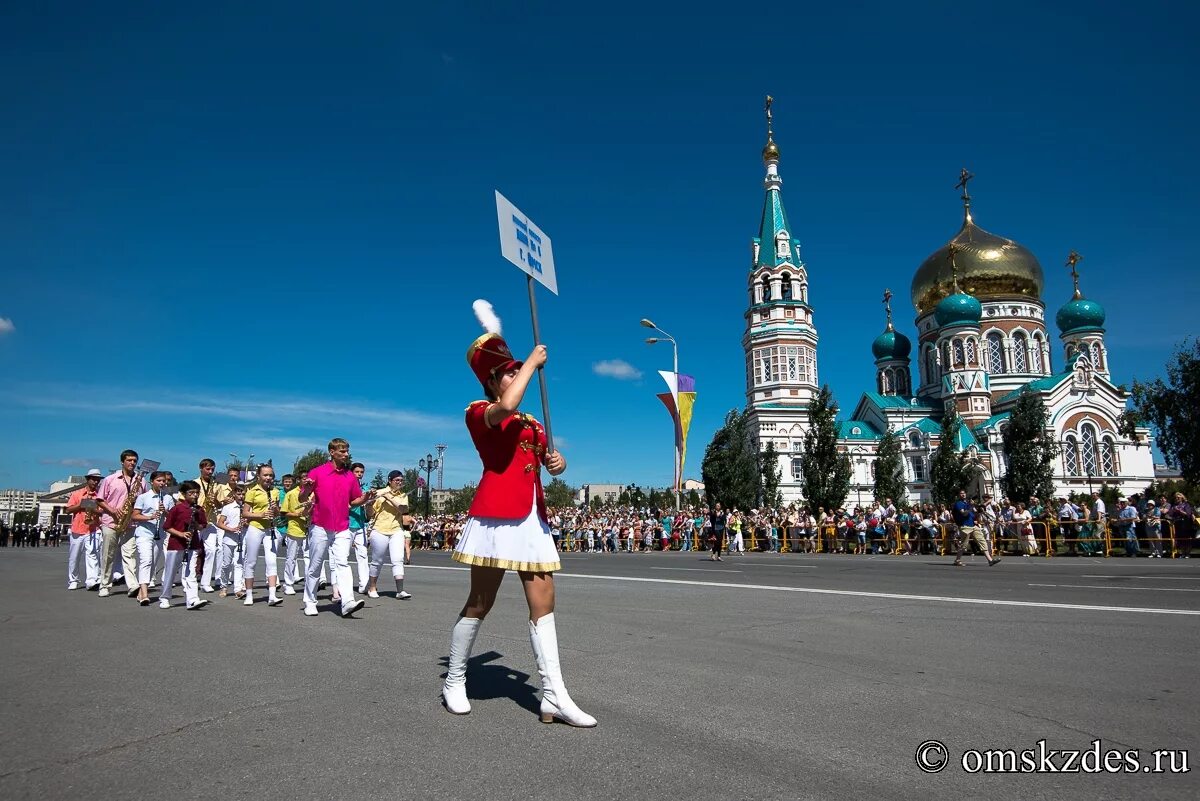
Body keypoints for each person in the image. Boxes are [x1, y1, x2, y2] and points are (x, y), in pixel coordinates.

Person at [441, 314, 595, 727]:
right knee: (481, 601)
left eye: (516, 372)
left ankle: (553, 695)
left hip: (532, 516)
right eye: (508, 373)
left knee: (545, 604)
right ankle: (455, 680)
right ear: (492, 382)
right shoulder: (480, 412)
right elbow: (507, 407)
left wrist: (558, 463)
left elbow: (546, 460)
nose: (515, 378)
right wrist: (530, 361)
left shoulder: (532, 423)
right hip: (495, 518)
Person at [299, 439, 375, 618]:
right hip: (320, 525)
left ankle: (347, 601)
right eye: (342, 451)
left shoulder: (349, 476)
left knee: (342, 563)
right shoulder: (318, 472)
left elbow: (353, 500)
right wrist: (306, 489)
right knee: (316, 564)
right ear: (332, 452)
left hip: (342, 526)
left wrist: (365, 498)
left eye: (347, 451)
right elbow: (303, 499)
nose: (346, 454)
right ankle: (310, 601)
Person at [95, 450, 145, 598]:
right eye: (129, 460)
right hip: (111, 521)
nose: (132, 463)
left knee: (130, 554)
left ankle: (132, 585)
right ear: (122, 462)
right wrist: (113, 510)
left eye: (135, 461)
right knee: (108, 555)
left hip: (130, 522)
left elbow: (144, 500)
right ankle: (105, 585)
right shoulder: (110, 479)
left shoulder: (141, 481)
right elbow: (100, 499)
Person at [159, 481, 210, 610]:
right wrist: (181, 534)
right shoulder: (177, 508)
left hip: (193, 543)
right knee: (171, 571)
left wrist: (198, 526)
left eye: (197, 493)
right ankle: (165, 597)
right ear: (184, 494)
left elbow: (204, 524)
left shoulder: (199, 509)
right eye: (191, 493)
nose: (194, 496)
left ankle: (192, 599)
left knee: (190, 571)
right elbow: (167, 526)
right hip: (176, 544)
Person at [242, 464, 283, 606]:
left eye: (271, 475)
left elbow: (278, 512)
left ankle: (272, 595)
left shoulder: (276, 491)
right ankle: (248, 594)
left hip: (270, 529)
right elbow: (245, 513)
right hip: (255, 528)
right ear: (259, 476)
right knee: (251, 561)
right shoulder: (252, 491)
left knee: (271, 561)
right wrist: (261, 514)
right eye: (265, 475)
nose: (268, 478)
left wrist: (275, 509)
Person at [366, 470, 412, 599]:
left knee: (398, 559)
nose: (399, 483)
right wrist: (369, 504)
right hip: (379, 529)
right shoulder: (379, 493)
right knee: (377, 560)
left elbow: (403, 509)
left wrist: (389, 497)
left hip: (396, 530)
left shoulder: (403, 495)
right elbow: (370, 514)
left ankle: (400, 590)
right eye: (397, 480)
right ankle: (372, 587)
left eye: (401, 480)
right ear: (390, 481)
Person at [130, 471, 174, 606]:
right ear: (152, 482)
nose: (162, 483)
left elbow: (172, 517)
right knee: (146, 560)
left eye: (163, 481)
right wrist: (150, 517)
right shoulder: (143, 497)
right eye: (159, 481)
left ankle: (141, 592)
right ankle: (144, 594)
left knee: (153, 563)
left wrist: (165, 512)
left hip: (159, 534)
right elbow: (135, 515)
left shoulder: (168, 498)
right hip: (144, 532)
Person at [64, 469, 104, 590]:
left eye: (98, 480)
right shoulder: (77, 494)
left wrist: (92, 507)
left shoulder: (100, 495)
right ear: (87, 479)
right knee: (74, 556)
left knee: (93, 554)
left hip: (94, 528)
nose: (96, 482)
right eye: (93, 479)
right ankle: (73, 579)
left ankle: (92, 580)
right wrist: (82, 504)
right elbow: (68, 510)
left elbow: (103, 512)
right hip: (77, 528)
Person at [280, 471, 311, 593]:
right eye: (304, 478)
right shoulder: (291, 494)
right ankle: (288, 584)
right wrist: (297, 514)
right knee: (291, 557)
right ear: (298, 480)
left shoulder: (312, 493)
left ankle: (310, 583)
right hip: (294, 528)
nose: (306, 480)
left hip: (309, 528)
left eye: (308, 478)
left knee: (309, 558)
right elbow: (284, 512)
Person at [952, 490, 1000, 567]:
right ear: (959, 495)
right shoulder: (959, 504)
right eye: (961, 493)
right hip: (965, 526)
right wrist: (970, 506)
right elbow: (964, 513)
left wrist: (980, 509)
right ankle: (957, 560)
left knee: (982, 541)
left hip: (973, 526)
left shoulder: (968, 503)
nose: (963, 495)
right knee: (964, 545)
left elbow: (975, 513)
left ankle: (990, 560)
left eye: (964, 493)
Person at [215, 486, 246, 597]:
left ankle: (237, 589)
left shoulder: (247, 508)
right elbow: (220, 523)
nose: (241, 496)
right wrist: (231, 529)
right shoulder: (228, 507)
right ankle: (224, 586)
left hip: (242, 538)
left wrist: (245, 523)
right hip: (229, 538)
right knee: (226, 564)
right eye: (239, 494)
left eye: (243, 494)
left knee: (239, 563)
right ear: (234, 494)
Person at [348, 463, 372, 594]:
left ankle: (364, 584)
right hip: (347, 524)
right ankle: (341, 584)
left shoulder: (365, 487)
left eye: (361, 472)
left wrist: (370, 500)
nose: (359, 474)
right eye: (357, 471)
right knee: (343, 556)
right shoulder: (346, 486)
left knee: (363, 555)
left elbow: (369, 510)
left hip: (360, 524)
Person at [1168, 493, 1194, 558]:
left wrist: (1180, 511)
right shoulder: (1174, 505)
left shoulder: (1186, 505)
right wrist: (1173, 510)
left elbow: (1188, 514)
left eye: (1178, 498)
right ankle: (1183, 553)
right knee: (1180, 539)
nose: (1177, 499)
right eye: (1176, 498)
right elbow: (1170, 514)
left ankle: (1187, 553)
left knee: (1187, 539)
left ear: (1182, 498)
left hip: (1185, 523)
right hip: (1177, 523)